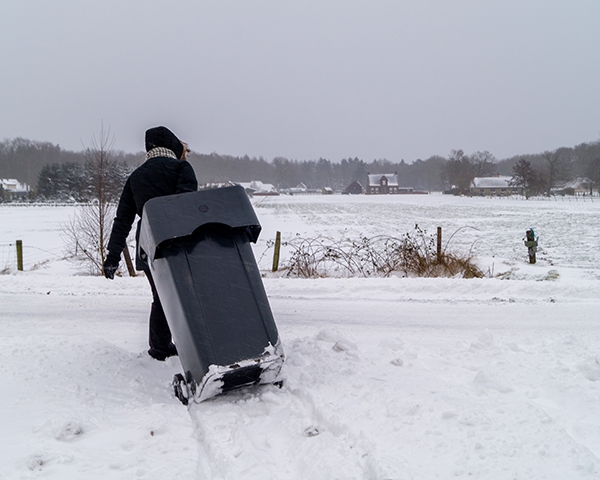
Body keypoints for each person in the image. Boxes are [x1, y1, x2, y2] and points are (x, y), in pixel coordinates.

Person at [103, 126, 198, 360]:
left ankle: (160, 348)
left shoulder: (135, 177)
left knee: (161, 297)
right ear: (172, 146)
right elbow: (187, 207)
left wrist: (112, 257)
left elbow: (122, 220)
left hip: (148, 246)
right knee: (188, 295)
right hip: (178, 245)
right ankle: (197, 345)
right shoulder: (182, 168)